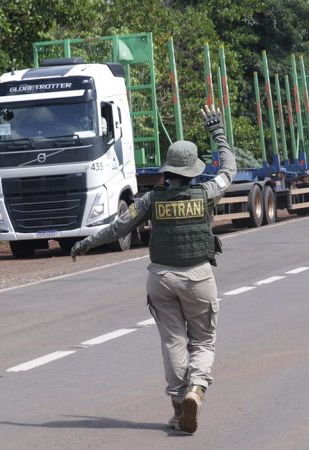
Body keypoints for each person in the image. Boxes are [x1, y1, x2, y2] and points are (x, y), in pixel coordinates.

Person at [70, 104, 236, 434]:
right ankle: (196, 388)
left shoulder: (150, 200)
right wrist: (217, 131)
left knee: (173, 341)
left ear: (169, 170)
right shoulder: (206, 193)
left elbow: (117, 228)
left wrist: (86, 243)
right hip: (198, 277)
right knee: (203, 342)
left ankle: (179, 405)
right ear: (193, 169)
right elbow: (229, 169)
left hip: (161, 279)